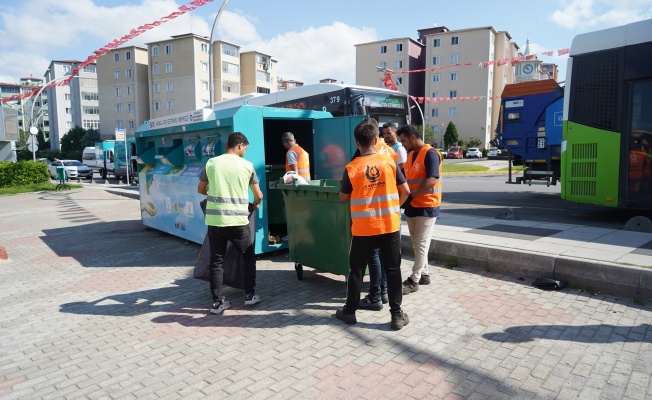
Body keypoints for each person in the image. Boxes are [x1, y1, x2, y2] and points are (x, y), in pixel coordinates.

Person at [336, 121, 411, 330]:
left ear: (356, 142)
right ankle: (396, 315)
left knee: (357, 270)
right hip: (389, 225)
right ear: (377, 139)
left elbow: (343, 197)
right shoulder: (389, 163)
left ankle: (349, 312)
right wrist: (395, 208)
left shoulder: (351, 168)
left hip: (363, 228)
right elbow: (406, 191)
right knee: (393, 269)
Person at [197, 132, 264, 315]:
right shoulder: (247, 166)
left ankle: (218, 303)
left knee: (216, 261)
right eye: (245, 148)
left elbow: (201, 189)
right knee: (248, 256)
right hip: (238, 222)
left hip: (215, 221)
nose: (245, 152)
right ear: (240, 145)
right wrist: (256, 205)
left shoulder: (212, 163)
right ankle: (249, 295)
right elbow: (258, 195)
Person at [397, 124, 442, 294]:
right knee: (417, 244)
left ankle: (414, 280)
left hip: (427, 206)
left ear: (413, 137)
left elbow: (431, 180)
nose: (403, 145)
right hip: (412, 206)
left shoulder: (430, 154)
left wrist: (410, 196)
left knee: (421, 244)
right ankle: (424, 274)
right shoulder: (411, 155)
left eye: (404, 141)